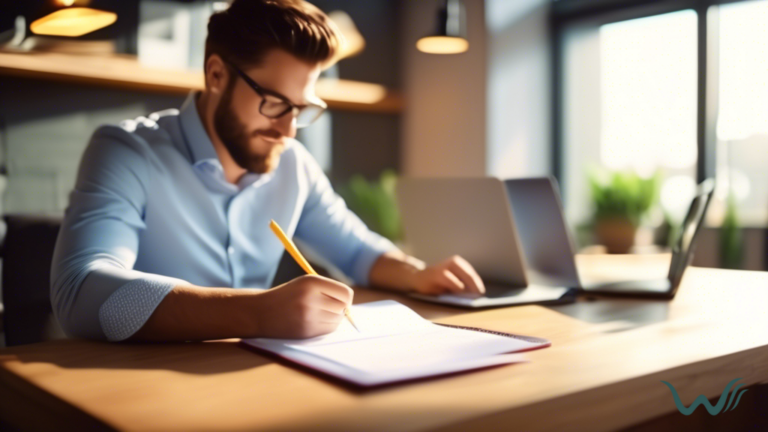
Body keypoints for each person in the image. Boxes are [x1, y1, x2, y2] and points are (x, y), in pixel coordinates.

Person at [50, 0, 485, 343]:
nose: (289, 128)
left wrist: (417, 272)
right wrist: (257, 311)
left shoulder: (293, 164)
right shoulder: (127, 152)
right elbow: (82, 292)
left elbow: (356, 251)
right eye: (275, 103)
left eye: (302, 108)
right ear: (216, 74)